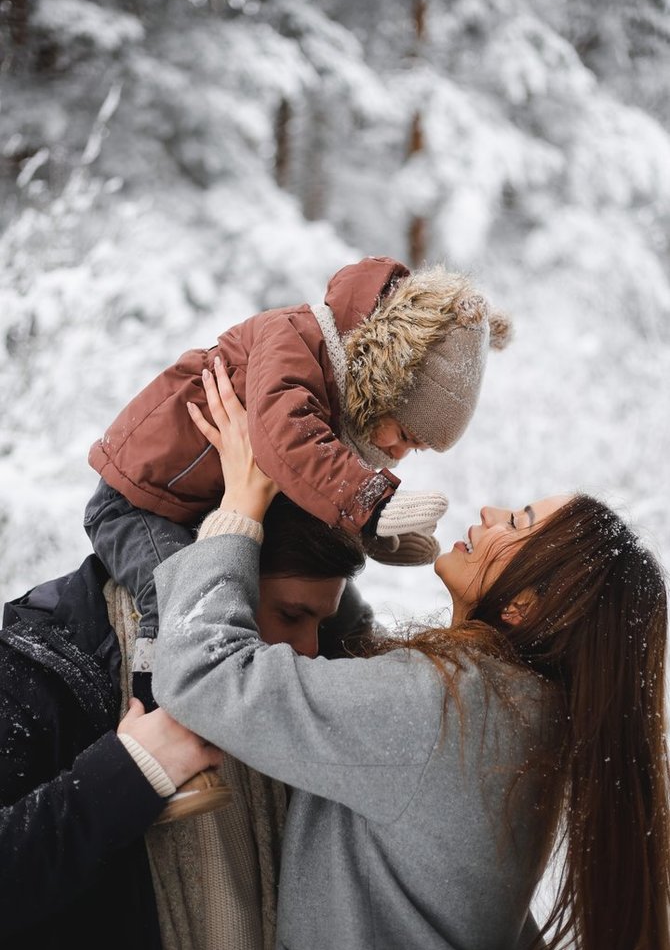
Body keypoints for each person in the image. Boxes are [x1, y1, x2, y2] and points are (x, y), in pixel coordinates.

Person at [153, 360, 670, 950]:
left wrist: (239, 509)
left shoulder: (455, 708)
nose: (490, 514)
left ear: (526, 605)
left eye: (519, 522)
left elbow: (200, 671)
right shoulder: (526, 720)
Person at [84, 255, 511, 704]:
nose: (401, 454)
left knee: (323, 582)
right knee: (177, 595)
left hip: (208, 503)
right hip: (137, 505)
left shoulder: (333, 394)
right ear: (386, 383)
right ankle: (156, 707)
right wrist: (371, 504)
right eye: (405, 435)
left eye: (415, 449)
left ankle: (381, 681)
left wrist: (379, 536)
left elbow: (311, 485)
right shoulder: (292, 339)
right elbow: (285, 437)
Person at [0, 494, 367, 950]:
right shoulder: (39, 670)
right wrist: (128, 771)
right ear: (217, 579)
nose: (310, 648)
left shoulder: (308, 679)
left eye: (321, 622)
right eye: (291, 615)